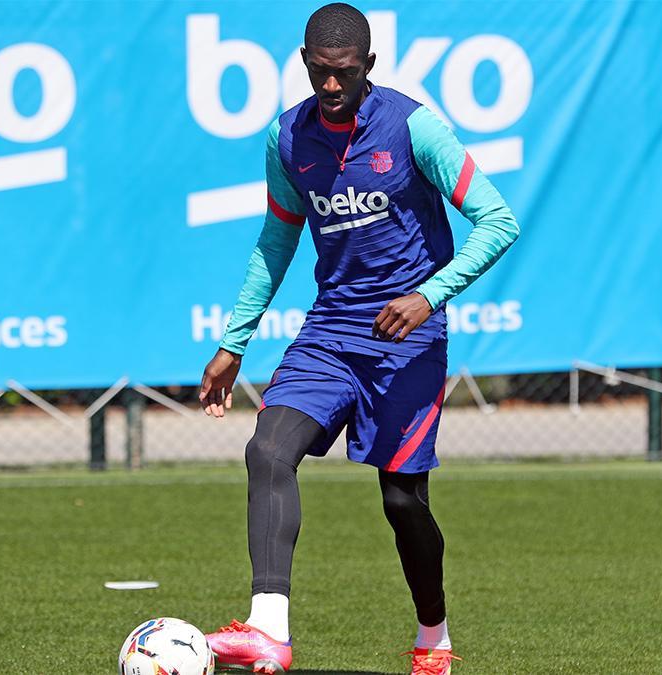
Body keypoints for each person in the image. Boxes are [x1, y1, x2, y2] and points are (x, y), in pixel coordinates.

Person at [198, 4, 519, 673]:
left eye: (344, 73)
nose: (332, 85)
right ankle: (269, 630)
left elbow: (497, 220)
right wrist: (235, 341)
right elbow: (277, 238)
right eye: (320, 72)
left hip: (407, 339)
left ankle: (433, 633)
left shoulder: (413, 127)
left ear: (368, 66)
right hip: (331, 332)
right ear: (305, 64)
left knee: (402, 501)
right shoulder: (288, 138)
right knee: (267, 449)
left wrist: (429, 294)